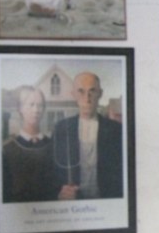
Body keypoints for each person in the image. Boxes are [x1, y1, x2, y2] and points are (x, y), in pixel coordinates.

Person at [52, 72, 124, 200]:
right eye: (81, 91)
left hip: (106, 203)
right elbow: (52, 171)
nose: (87, 98)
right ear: (73, 94)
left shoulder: (116, 130)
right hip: (73, 204)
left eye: (92, 91)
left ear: (100, 93)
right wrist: (59, 193)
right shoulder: (61, 129)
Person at [2, 86, 56, 203]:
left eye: (40, 105)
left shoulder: (53, 146)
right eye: (31, 104)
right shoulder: (7, 149)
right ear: (20, 108)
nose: (36, 110)